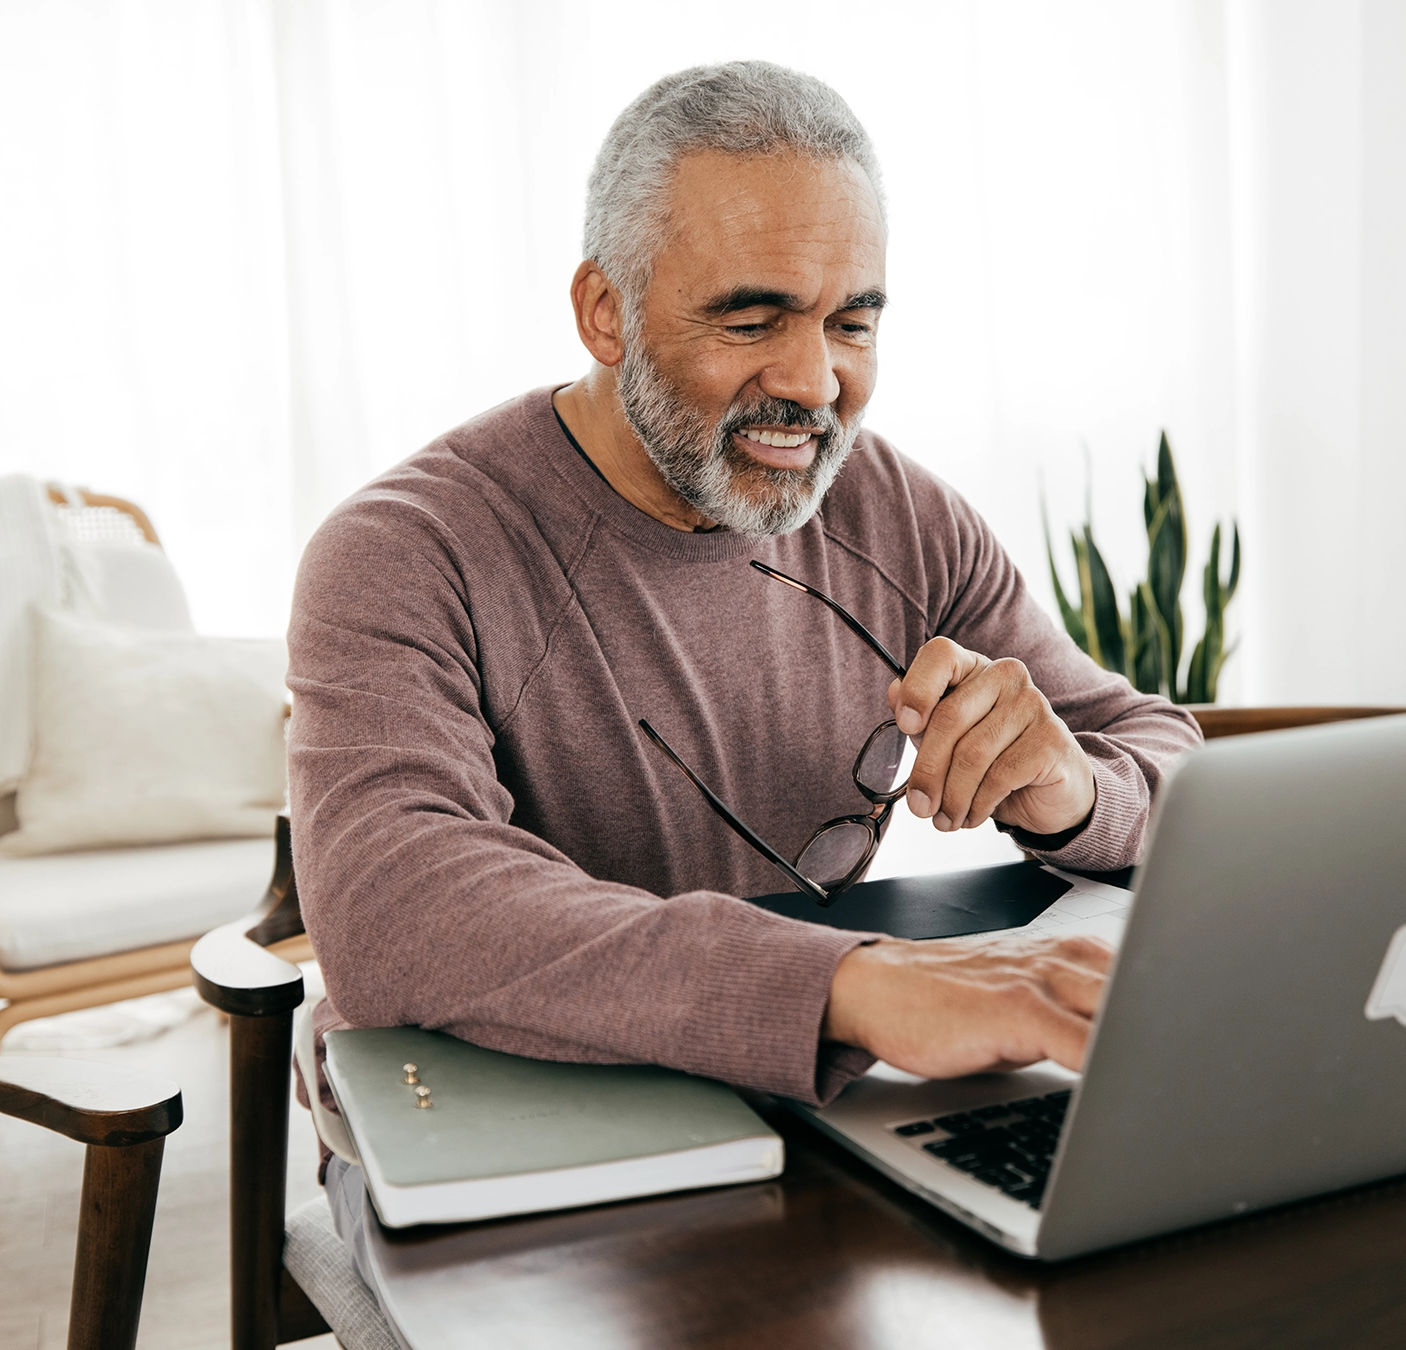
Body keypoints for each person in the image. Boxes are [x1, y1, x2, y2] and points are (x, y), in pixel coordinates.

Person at [288, 61, 1199, 1136]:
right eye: (751, 320)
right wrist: (850, 988)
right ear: (603, 312)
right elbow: (396, 907)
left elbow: (1162, 753)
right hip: (490, 1122)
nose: (814, 383)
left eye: (850, 324)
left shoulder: (896, 512)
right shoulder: (401, 549)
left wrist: (1075, 792)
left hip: (794, 1100)